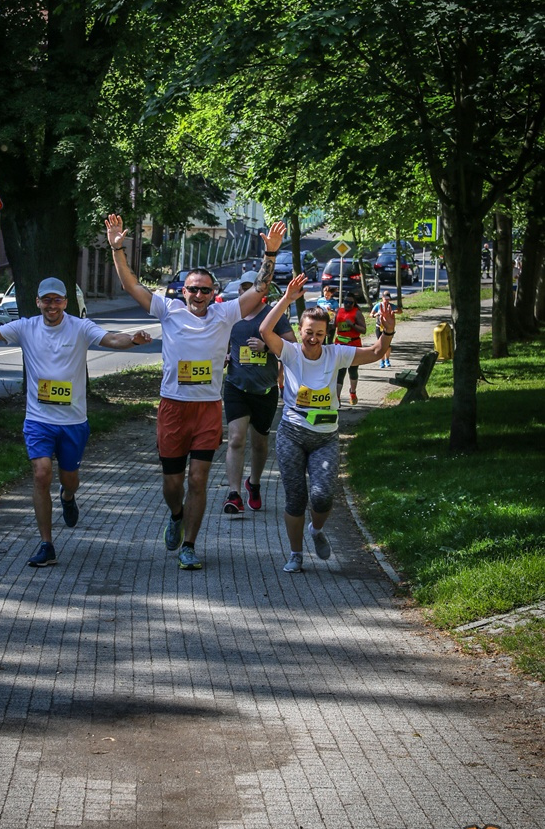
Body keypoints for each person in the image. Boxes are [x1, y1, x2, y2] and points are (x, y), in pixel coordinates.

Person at [0, 277, 152, 568]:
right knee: (42, 474)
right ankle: (47, 545)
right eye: (46, 300)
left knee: (70, 480)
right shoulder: (25, 327)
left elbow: (112, 339)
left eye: (57, 300)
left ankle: (68, 496)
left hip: (73, 422)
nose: (51, 305)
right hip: (38, 420)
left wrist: (133, 339)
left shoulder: (80, 327)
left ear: (65, 302)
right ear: (38, 302)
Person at [105, 213, 286, 570]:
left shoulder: (226, 314)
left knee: (199, 479)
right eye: (193, 289)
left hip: (207, 409)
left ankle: (189, 545)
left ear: (214, 293)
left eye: (205, 290)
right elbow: (131, 286)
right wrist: (117, 249)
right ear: (183, 291)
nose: (199, 295)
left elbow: (260, 290)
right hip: (173, 408)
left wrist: (271, 254)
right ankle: (176, 515)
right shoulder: (168, 310)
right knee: (173, 484)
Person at [260, 274, 395, 573]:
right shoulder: (290, 352)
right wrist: (287, 300)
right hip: (292, 434)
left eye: (319, 334)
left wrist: (388, 331)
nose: (313, 338)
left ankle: (316, 530)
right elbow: (265, 330)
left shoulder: (336, 354)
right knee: (296, 498)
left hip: (325, 437)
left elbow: (376, 352)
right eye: (309, 332)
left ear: (326, 334)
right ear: (300, 330)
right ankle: (295, 554)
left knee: (322, 496)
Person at [222, 269, 297, 515]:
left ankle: (253, 484)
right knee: (236, 439)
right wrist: (223, 355)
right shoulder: (231, 315)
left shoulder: (273, 315)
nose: (245, 292)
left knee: (260, 443)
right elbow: (218, 342)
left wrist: (267, 347)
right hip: (236, 386)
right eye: (242, 288)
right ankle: (234, 494)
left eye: (250, 288)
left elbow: (293, 347)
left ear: (261, 290)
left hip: (265, 389)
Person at [334, 291, 366, 404]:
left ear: (354, 303)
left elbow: (364, 330)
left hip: (353, 345)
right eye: (345, 302)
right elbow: (334, 326)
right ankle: (337, 397)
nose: (347, 304)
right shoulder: (339, 311)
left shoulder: (357, 313)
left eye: (350, 303)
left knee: (352, 371)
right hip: (340, 345)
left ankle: (353, 392)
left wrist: (352, 325)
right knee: (340, 371)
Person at [370, 290, 394, 368]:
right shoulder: (378, 305)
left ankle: (387, 360)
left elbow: (400, 311)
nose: (386, 300)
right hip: (379, 327)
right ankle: (382, 361)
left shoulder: (390, 306)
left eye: (388, 298)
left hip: (388, 328)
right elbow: (371, 314)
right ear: (382, 298)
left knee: (388, 345)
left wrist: (393, 311)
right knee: (380, 345)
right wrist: (375, 314)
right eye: (385, 298)